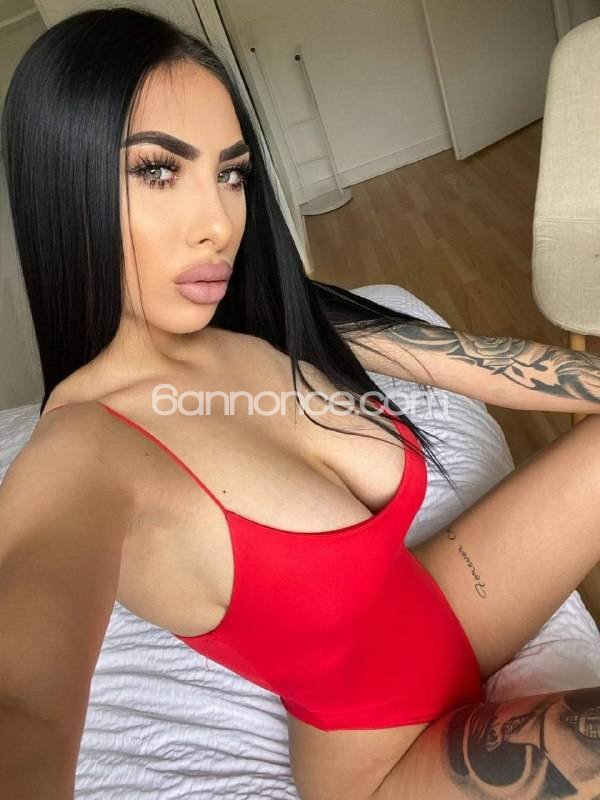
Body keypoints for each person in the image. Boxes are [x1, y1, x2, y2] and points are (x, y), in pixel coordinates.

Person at [1, 7, 599, 799]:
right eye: (157, 170)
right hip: (381, 754)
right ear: (60, 183)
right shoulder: (80, 455)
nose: (217, 224)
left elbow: (485, 364)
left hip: (445, 603)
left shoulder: (267, 317)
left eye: (231, 173)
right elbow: (23, 708)